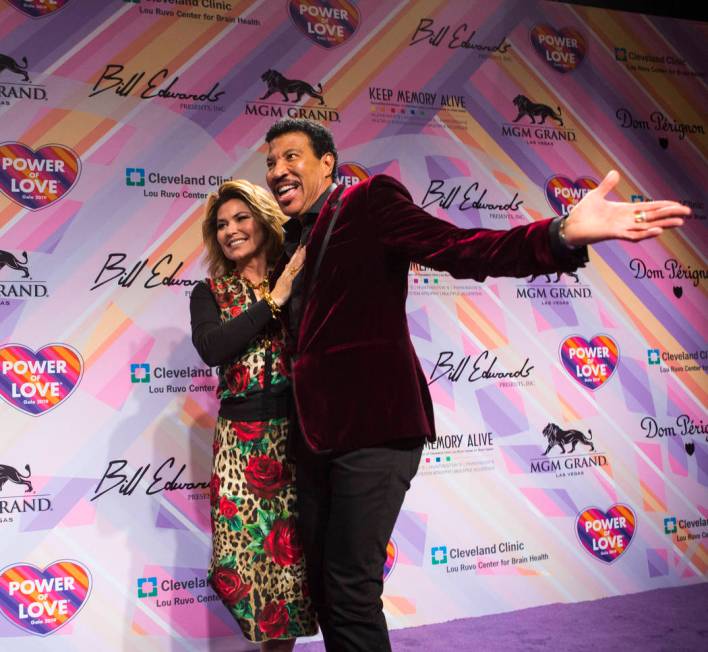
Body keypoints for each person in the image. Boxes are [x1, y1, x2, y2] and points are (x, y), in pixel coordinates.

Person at [262, 118, 691, 651]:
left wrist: (560, 234)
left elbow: (462, 247)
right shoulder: (286, 245)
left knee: (350, 589)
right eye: (271, 163)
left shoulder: (369, 202)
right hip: (314, 437)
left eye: (291, 157)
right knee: (328, 593)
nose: (278, 170)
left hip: (375, 427)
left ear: (327, 162)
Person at [189, 179, 314, 651]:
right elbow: (212, 348)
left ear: (263, 219)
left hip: (299, 437)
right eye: (221, 225)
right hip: (240, 444)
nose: (231, 230)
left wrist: (287, 288)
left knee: (291, 560)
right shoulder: (210, 292)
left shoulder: (300, 277)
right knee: (245, 563)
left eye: (240, 218)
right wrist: (273, 299)